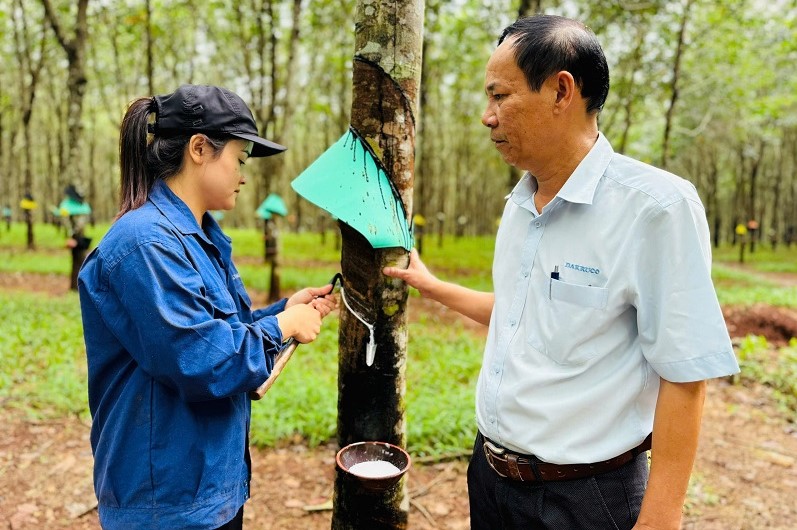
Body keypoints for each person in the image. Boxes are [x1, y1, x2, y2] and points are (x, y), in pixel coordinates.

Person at [383, 15, 739, 530]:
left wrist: (661, 518)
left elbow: (684, 373)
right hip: (490, 475)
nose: (487, 117)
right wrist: (433, 286)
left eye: (499, 96)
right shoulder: (520, 204)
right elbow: (519, 315)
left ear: (561, 90)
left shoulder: (656, 208)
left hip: (587, 497)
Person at [77, 84, 337, 529]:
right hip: (165, 497)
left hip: (209, 483)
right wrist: (281, 327)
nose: (243, 174)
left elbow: (217, 330)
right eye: (239, 158)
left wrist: (283, 311)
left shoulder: (201, 238)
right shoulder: (146, 243)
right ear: (200, 148)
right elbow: (199, 360)